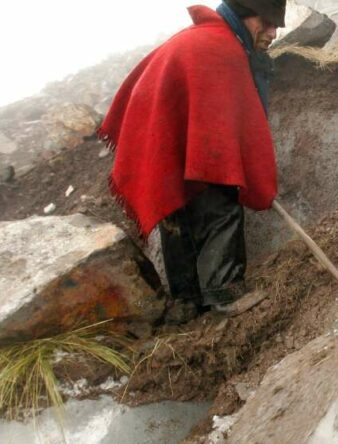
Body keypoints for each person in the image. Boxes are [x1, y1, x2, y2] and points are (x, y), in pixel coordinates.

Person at [99, 0, 286, 324]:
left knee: (179, 206)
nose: (274, 31)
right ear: (244, 15)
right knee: (220, 198)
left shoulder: (208, 37)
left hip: (157, 144)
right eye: (267, 22)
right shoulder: (221, 48)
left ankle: (187, 300)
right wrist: (251, 176)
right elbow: (220, 148)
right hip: (161, 140)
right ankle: (224, 291)